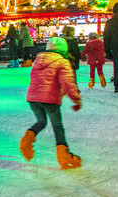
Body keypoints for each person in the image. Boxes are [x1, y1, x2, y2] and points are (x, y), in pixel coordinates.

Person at [19, 37, 82, 170]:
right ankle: (64, 156)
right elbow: (68, 83)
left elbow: (34, 77)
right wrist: (76, 99)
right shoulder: (62, 62)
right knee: (57, 127)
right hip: (50, 100)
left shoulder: (38, 60)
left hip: (33, 97)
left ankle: (27, 140)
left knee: (41, 122)